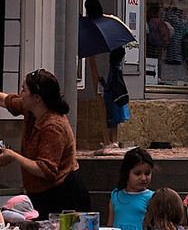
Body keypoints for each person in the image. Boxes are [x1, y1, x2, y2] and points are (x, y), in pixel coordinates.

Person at [0, 69, 91, 214]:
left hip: (62, 195)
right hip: (40, 192)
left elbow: (46, 170)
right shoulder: (32, 109)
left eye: (24, 90)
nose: (20, 94)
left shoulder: (53, 126)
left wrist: (13, 156)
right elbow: (8, 101)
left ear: (37, 98)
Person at [110, 148, 156, 229]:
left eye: (147, 173)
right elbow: (110, 225)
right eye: (137, 174)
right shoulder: (115, 196)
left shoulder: (153, 198)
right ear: (126, 173)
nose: (143, 178)